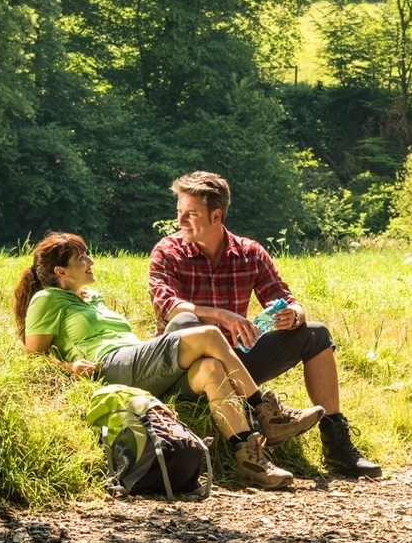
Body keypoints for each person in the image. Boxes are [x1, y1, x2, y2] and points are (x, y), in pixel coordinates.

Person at [12, 232, 325, 490]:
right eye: (81, 258)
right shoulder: (47, 300)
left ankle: (249, 458)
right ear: (60, 272)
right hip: (109, 367)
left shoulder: (92, 299)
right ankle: (264, 410)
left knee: (211, 369)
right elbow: (33, 358)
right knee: (210, 335)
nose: (90, 261)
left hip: (136, 362)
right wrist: (70, 368)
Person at [147, 171, 381, 479]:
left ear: (216, 215)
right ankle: (263, 413)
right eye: (179, 213)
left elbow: (288, 299)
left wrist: (293, 314)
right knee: (187, 320)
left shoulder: (249, 253)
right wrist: (219, 316)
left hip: (238, 362)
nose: (181, 221)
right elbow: (166, 306)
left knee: (315, 333)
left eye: (190, 214)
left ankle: (337, 447)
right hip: (187, 367)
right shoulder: (168, 251)